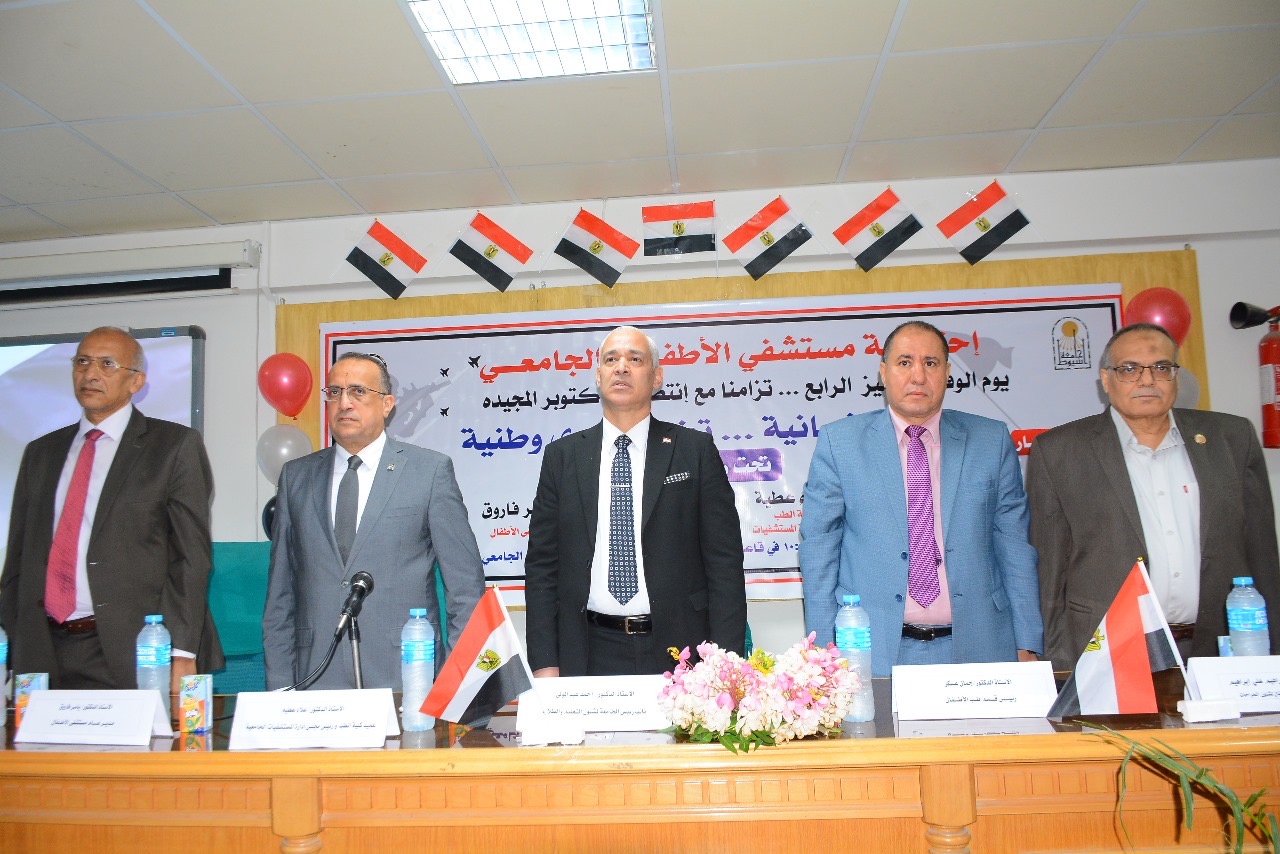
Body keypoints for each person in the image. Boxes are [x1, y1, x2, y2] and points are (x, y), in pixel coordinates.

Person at [1027, 322, 1280, 671]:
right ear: (1106, 379)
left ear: (1176, 376)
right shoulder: (1059, 451)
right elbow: (1049, 570)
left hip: (1223, 647)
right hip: (1109, 653)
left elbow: (1262, 552)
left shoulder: (1232, 438)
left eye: (1161, 367)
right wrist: (1058, 661)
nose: (1147, 380)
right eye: (1129, 369)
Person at [800, 320, 1042, 677]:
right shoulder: (841, 444)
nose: (918, 375)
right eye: (904, 362)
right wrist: (821, 653)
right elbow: (819, 549)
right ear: (883, 372)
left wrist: (1027, 641)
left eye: (930, 363)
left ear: (947, 372)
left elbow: (1014, 546)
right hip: (874, 653)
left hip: (981, 647)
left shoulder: (990, 441)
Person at [1, 326, 223, 691]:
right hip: (40, 648)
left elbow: (190, 558)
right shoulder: (41, 452)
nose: (90, 374)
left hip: (134, 648)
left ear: (136, 381)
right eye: (82, 362)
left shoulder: (172, 446)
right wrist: (9, 641)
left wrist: (181, 650)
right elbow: (18, 559)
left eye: (107, 364)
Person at [525, 326, 747, 677]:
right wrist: (544, 662)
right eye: (611, 359)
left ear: (657, 377)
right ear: (598, 376)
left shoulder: (695, 451)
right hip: (587, 651)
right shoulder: (562, 457)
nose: (621, 367)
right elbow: (542, 567)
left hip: (683, 651)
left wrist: (725, 664)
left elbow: (725, 566)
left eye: (635, 359)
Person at [263, 352, 485, 690]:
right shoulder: (297, 477)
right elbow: (280, 595)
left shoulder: (429, 472)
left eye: (358, 391)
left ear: (387, 405)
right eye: (334, 392)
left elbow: (466, 589)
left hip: (406, 679)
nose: (344, 403)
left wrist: (454, 684)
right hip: (315, 680)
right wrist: (280, 687)